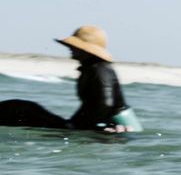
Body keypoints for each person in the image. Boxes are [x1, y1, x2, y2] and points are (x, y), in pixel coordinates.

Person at [0, 25, 140, 133]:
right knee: (21, 108)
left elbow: (105, 104)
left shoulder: (100, 70)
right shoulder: (91, 68)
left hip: (119, 127)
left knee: (24, 109)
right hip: (90, 123)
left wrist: (78, 128)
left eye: (75, 47)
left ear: (87, 50)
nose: (71, 49)